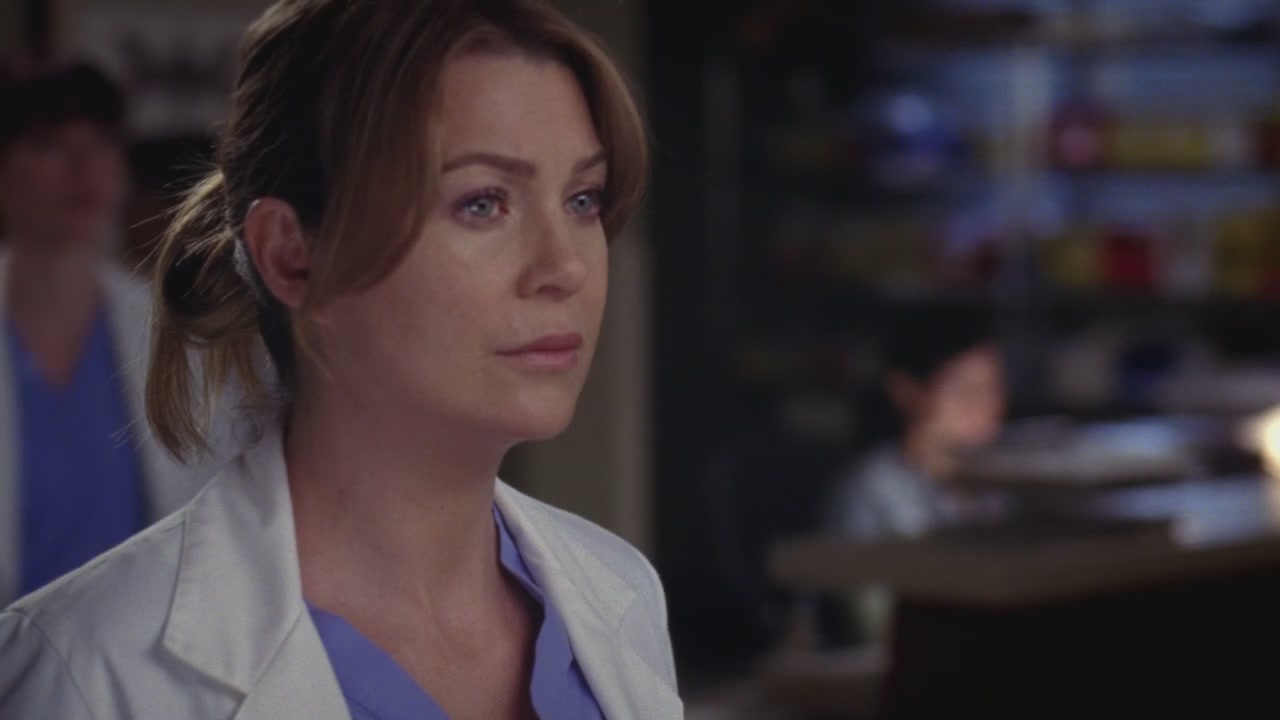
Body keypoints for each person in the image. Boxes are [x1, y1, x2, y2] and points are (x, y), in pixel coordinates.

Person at [0, 1, 680, 718]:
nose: (566, 267)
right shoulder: (85, 672)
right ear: (293, 256)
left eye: (582, 199)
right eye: (482, 203)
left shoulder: (621, 594)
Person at [0, 61, 210, 604]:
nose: (83, 168)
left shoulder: (173, 335)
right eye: (49, 145)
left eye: (100, 144)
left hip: (128, 644)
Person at [825, 308, 1008, 640]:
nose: (986, 408)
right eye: (965, 391)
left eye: (993, 388)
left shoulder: (999, 483)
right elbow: (875, 618)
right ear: (906, 390)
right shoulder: (876, 488)